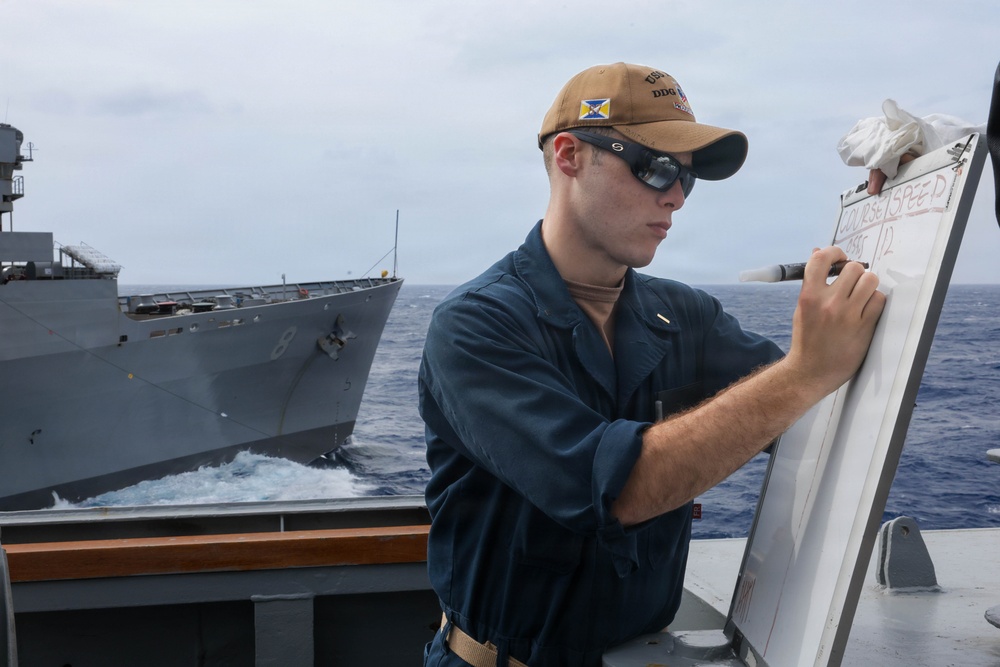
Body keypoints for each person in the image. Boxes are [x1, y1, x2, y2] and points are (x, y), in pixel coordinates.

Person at [418, 62, 885, 667]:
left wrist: (892, 224)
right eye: (656, 167)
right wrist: (804, 371)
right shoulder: (476, 325)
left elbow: (826, 412)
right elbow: (617, 491)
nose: (675, 197)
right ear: (569, 155)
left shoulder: (686, 315)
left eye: (687, 179)